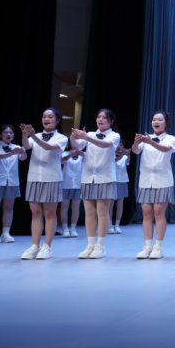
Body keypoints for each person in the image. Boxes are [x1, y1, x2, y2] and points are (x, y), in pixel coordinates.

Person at [72, 108, 120, 260]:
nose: (100, 119)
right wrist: (73, 137)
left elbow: (105, 145)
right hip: (88, 177)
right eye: (98, 117)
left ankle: (100, 246)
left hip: (105, 177)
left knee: (102, 212)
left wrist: (86, 137)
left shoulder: (114, 135)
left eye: (104, 117)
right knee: (89, 212)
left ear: (111, 121)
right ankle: (90, 245)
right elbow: (78, 145)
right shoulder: (91, 134)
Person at [20, 109, 68, 260]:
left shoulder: (62, 138)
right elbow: (27, 146)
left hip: (51, 178)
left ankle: (47, 246)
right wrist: (25, 134)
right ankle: (35, 246)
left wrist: (33, 135)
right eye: (44, 116)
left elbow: (48, 147)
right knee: (35, 213)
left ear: (57, 120)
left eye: (50, 117)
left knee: (49, 213)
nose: (46, 119)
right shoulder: (37, 135)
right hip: (34, 177)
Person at [132, 110, 175, 260]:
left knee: (158, 213)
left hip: (162, 180)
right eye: (154, 120)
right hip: (146, 180)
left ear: (166, 123)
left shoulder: (170, 138)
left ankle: (158, 247)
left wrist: (150, 142)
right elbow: (135, 151)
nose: (156, 122)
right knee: (146, 214)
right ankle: (147, 246)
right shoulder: (146, 139)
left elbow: (166, 148)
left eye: (159, 119)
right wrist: (137, 142)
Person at [0, 125, 26, 244]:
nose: (8, 135)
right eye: (5, 132)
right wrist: (13, 153)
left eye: (11, 133)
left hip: (12, 181)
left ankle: (6, 233)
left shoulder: (16, 147)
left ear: (13, 135)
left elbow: (23, 158)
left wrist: (22, 151)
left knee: (8, 206)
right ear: (0, 134)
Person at [60, 140, 83, 238]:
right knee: (64, 207)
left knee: (75, 207)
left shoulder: (83, 154)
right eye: (73, 142)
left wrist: (81, 153)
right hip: (66, 183)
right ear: (70, 143)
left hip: (78, 183)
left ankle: (73, 228)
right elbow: (62, 160)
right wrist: (70, 154)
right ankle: (65, 229)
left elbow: (90, 161)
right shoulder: (65, 153)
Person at [109, 140, 130, 234]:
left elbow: (128, 161)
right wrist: (122, 155)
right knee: (111, 204)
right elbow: (113, 162)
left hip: (122, 180)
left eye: (121, 145)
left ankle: (117, 225)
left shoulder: (124, 156)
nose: (119, 146)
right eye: (117, 145)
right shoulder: (110, 154)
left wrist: (128, 154)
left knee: (120, 203)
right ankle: (110, 225)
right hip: (112, 180)